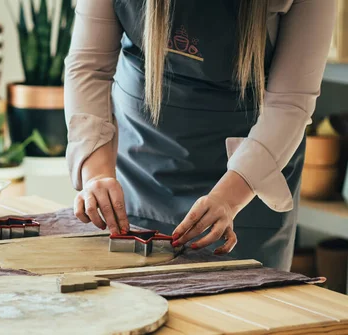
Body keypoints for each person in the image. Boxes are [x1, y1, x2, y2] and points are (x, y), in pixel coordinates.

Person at [64, 0, 335, 270]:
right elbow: (90, 67)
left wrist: (229, 198)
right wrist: (97, 173)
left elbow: (289, 104)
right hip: (141, 165)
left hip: (248, 177)